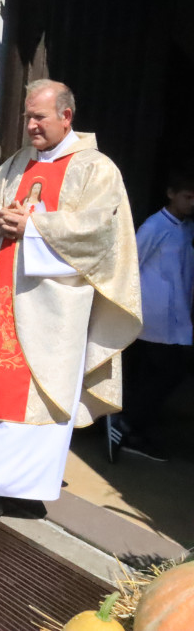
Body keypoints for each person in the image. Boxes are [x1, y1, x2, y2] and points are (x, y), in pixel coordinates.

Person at [0, 79, 142, 519]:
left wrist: (32, 227)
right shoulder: (18, 163)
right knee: (3, 391)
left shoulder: (96, 169)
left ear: (66, 117)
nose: (30, 125)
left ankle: (18, 488)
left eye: (39, 117)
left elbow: (101, 234)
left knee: (45, 397)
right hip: (5, 299)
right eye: (27, 116)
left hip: (56, 309)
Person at [110, 171, 194, 462]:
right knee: (157, 375)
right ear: (171, 194)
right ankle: (129, 426)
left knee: (166, 375)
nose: (191, 203)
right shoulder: (155, 226)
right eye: (188, 197)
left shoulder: (186, 229)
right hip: (153, 319)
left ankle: (133, 424)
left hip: (177, 316)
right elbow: (131, 264)